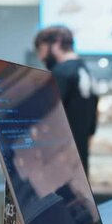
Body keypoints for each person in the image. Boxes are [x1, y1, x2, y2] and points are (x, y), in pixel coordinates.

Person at [34, 26, 98, 175]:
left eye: (41, 49)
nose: (41, 56)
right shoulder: (85, 70)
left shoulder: (60, 74)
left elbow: (45, 117)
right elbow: (92, 125)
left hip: (60, 163)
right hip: (79, 160)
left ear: (56, 44)